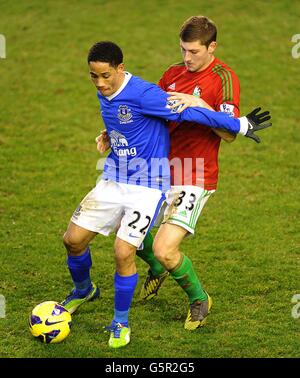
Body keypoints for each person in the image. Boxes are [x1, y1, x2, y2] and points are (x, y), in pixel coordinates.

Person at [61, 40, 270, 349]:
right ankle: (84, 290)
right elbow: (126, 116)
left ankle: (123, 321)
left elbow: (189, 115)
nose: (100, 83)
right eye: (94, 76)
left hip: (151, 181)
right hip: (115, 177)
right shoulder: (107, 89)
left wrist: (238, 124)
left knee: (130, 251)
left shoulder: (146, 93)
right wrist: (111, 134)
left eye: (106, 75)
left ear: (120, 68)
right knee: (72, 240)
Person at [135, 15, 269, 331]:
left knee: (166, 249)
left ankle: (199, 299)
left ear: (212, 47)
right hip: (158, 168)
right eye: (183, 49)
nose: (186, 58)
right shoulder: (172, 74)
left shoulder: (223, 78)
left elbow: (229, 134)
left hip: (194, 173)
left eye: (193, 51)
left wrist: (198, 103)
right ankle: (157, 269)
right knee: (126, 230)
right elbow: (151, 115)